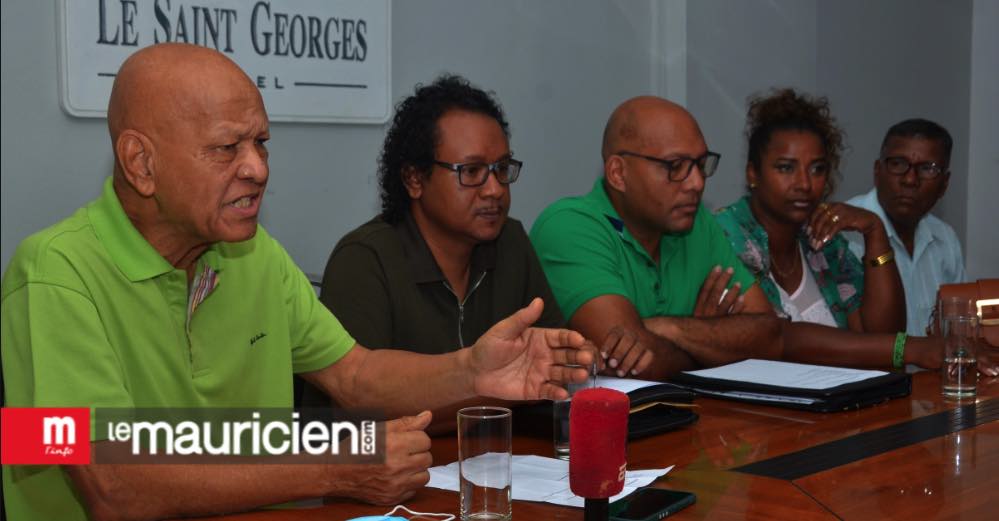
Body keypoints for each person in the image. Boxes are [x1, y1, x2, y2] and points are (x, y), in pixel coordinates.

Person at [0, 43, 592, 521]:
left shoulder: (255, 254)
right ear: (141, 163)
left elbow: (355, 376)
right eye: (226, 148)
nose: (257, 168)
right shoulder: (52, 274)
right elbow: (114, 485)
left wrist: (472, 370)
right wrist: (339, 465)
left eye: (260, 143)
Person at [529, 96, 978, 380]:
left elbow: (768, 334)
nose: (695, 184)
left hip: (701, 434)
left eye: (701, 165)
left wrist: (667, 328)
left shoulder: (693, 223)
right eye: (674, 167)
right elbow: (632, 360)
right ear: (618, 172)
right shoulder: (571, 225)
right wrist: (713, 344)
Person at [305, 75, 568, 429]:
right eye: (471, 171)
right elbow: (354, 413)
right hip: (390, 472)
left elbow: (552, 371)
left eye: (501, 169)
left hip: (497, 460)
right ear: (415, 179)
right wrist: (492, 389)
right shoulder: (365, 260)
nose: (494, 189)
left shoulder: (511, 242)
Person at [714, 88, 906, 332]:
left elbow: (884, 336)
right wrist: (907, 349)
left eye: (817, 169)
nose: (804, 184)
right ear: (753, 173)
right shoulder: (723, 235)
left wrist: (875, 231)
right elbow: (777, 341)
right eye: (786, 168)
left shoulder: (824, 240)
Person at [845, 119, 966, 335]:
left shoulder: (945, 237)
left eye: (927, 169)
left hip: (932, 369)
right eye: (898, 164)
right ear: (877, 170)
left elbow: (959, 327)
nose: (910, 180)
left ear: (944, 184)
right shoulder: (843, 234)